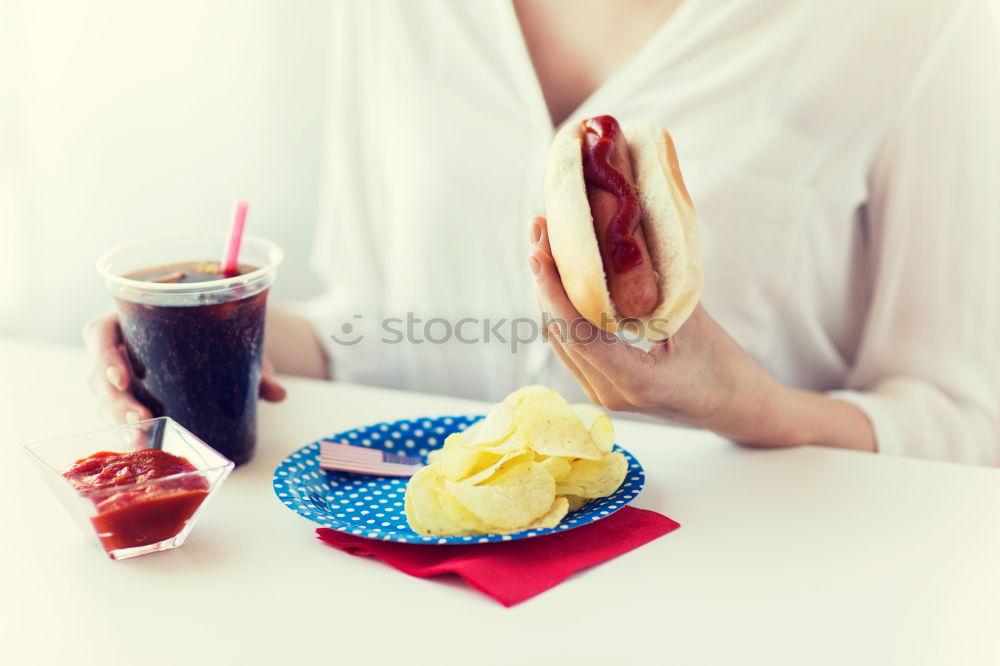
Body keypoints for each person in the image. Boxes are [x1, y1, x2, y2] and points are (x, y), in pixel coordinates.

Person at [84, 0, 1000, 464]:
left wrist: (746, 406)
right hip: (416, 597)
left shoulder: (916, 22)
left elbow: (965, 421)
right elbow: (378, 318)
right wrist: (205, 332)